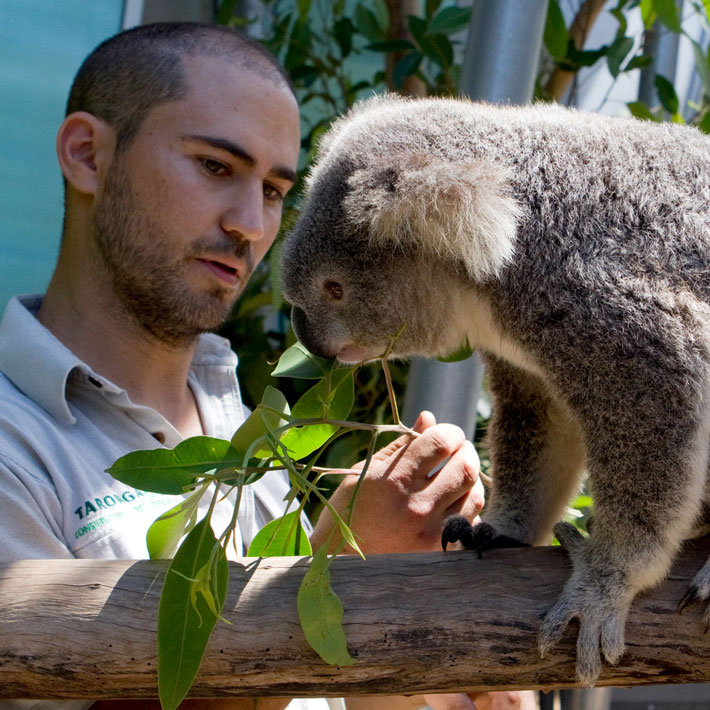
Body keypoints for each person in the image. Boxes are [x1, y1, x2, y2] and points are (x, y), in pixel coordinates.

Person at [0, 22, 536, 710]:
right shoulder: (18, 444)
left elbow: (322, 693)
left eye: (277, 190)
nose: (251, 223)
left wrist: (433, 669)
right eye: (216, 167)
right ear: (86, 155)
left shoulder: (239, 419)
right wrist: (336, 577)